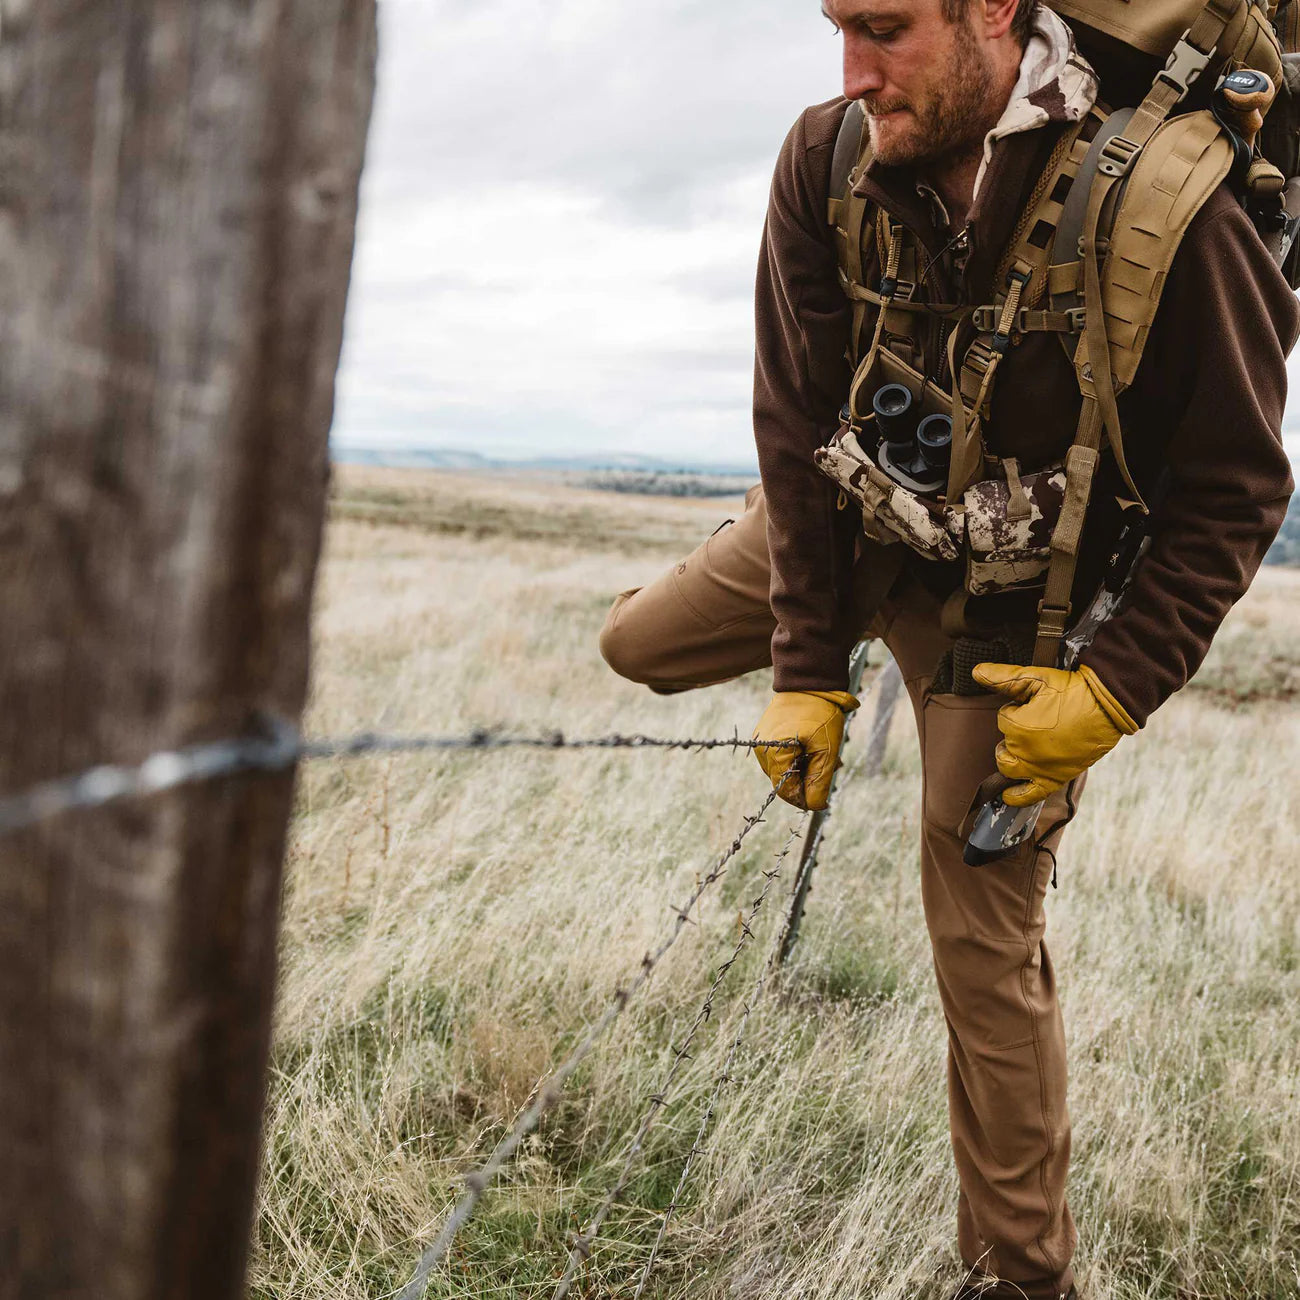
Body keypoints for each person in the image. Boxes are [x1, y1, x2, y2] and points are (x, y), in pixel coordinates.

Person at [598, 2, 1299, 1296]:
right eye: (835, 28)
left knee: (979, 930)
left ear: (994, 10)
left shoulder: (1167, 202)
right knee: (635, 643)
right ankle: (840, 646)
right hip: (849, 517)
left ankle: (1022, 1280)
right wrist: (807, 669)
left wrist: (1114, 689)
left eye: (884, 29)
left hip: (1011, 609)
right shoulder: (824, 157)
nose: (852, 74)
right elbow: (792, 413)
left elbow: (1238, 488)